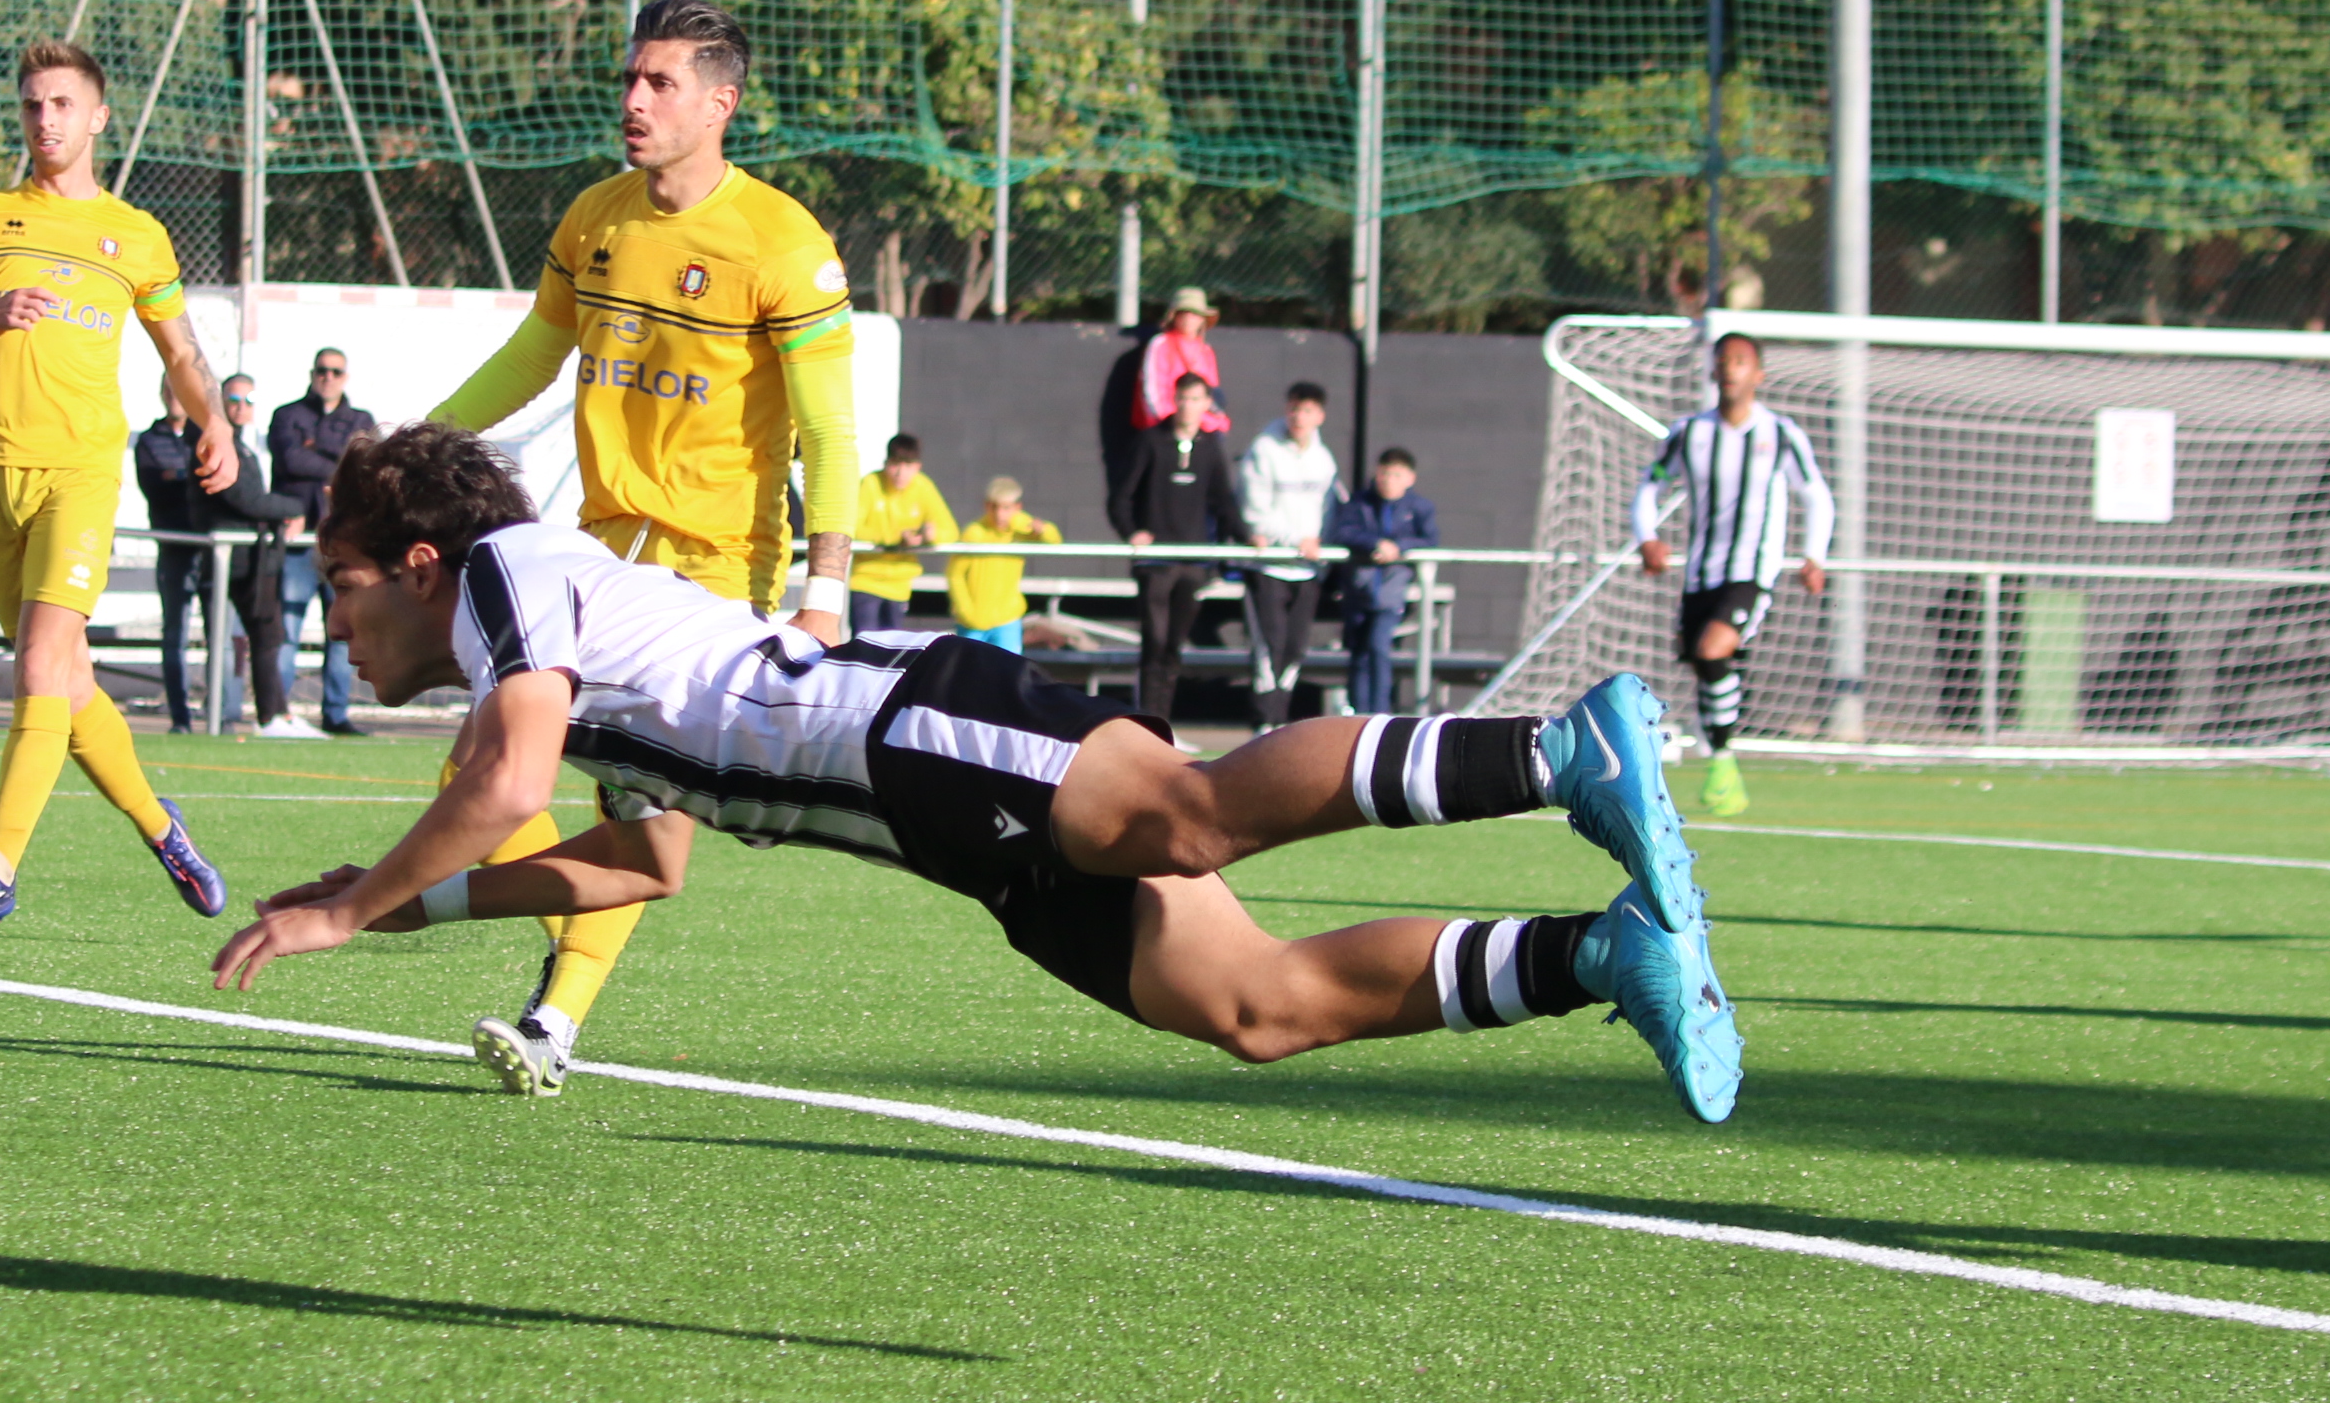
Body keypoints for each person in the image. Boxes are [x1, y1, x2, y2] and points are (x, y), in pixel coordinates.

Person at [212, 425, 1741, 1126]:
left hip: (917, 731)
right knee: (1254, 1011)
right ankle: (1604, 957)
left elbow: (498, 781)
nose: (331, 615)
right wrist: (402, 911)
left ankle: (1559, 750)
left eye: (339, 582)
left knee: (1192, 819)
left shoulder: (502, 580)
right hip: (945, 832)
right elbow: (638, 866)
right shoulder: (544, 651)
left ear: (417, 562)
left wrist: (352, 915)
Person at [425, 0, 860, 1096]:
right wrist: (422, 442)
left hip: (714, 569)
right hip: (594, 549)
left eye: (660, 82)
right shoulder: (598, 217)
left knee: (630, 806)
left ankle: (553, 1019)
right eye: (630, 77)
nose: (634, 99)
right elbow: (534, 353)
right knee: (491, 780)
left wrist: (828, 589)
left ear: (720, 102)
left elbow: (828, 429)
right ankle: (555, 974)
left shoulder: (784, 244)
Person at [0, 38, 239, 925]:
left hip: (79, 471)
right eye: (32, 105)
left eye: (60, 105)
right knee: (66, 683)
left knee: (43, 663)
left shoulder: (136, 234)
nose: (44, 120)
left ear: (97, 118)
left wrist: (216, 423)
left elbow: (181, 352)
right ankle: (164, 829)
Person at [1637, 331, 1832, 820]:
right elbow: (1649, 490)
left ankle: (1723, 760)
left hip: (1752, 571)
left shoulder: (1781, 433)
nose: (1731, 369)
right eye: (1723, 361)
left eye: (1741, 361)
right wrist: (1648, 536)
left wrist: (1814, 555)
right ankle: (1723, 766)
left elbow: (1817, 496)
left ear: (1758, 374)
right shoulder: (1689, 433)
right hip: (1702, 572)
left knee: (1713, 649)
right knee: (1705, 665)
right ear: (1712, 371)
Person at [1109, 370, 1241, 722]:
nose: (1187, 406)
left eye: (1195, 399)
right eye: (1182, 398)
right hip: (1156, 562)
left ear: (1207, 404)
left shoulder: (1211, 448)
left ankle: (1161, 723)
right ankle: (1148, 724)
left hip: (1193, 562)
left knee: (1173, 647)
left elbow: (1223, 502)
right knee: (1154, 640)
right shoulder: (1151, 441)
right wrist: (1132, 532)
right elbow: (1121, 497)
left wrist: (1248, 537)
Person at [268, 348, 378, 735]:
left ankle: (336, 714)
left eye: (335, 372)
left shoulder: (360, 419)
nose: (328, 377)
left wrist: (317, 453)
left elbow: (367, 465)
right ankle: (277, 714)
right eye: (321, 371)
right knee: (288, 629)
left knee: (345, 631)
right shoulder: (287, 415)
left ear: (345, 377)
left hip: (343, 545)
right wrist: (339, 461)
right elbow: (290, 462)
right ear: (311, 373)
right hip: (299, 545)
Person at [1233, 380, 1339, 732]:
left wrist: (1317, 546)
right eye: (1294, 407)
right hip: (1267, 569)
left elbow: (1329, 513)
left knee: (1294, 649)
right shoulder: (1263, 450)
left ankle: (1280, 725)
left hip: (1307, 571)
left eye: (1307, 410)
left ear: (1320, 416)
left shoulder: (1324, 461)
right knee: (1269, 648)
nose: (1299, 416)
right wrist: (1295, 539)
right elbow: (1255, 512)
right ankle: (1264, 724)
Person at [211, 373, 307, 737]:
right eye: (233, 398)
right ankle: (263, 716)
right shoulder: (216, 442)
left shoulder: (244, 445)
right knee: (245, 635)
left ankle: (276, 714)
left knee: (267, 632)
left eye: (248, 400)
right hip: (229, 557)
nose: (241, 407)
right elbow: (246, 499)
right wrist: (294, 507)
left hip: (249, 554)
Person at [135, 378, 227, 734]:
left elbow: (219, 482)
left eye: (181, 390)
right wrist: (193, 477)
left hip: (212, 547)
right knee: (175, 632)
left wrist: (185, 476)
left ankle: (219, 713)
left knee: (218, 632)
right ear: (162, 394)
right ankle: (181, 717)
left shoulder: (205, 436)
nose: (176, 397)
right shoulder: (150, 440)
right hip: (175, 546)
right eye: (170, 390)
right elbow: (157, 487)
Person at [1324, 446, 1441, 719]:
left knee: (1378, 646)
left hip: (1391, 593)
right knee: (1358, 653)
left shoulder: (1419, 508)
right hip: (1358, 591)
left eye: (1396, 475)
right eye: (1385, 474)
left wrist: (1397, 548)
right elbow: (1343, 532)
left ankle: (1380, 715)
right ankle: (1358, 716)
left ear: (1409, 478)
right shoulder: (1359, 503)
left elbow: (1429, 540)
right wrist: (1374, 544)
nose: (1389, 480)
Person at [848, 433, 955, 637]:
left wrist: (930, 536)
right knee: (863, 647)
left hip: (899, 585)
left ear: (918, 467)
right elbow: (852, 527)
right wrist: (895, 538)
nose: (900, 473)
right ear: (886, 463)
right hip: (865, 581)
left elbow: (950, 530)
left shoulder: (923, 486)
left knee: (892, 650)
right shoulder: (870, 483)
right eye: (895, 465)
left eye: (908, 466)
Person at [947, 477, 1059, 654]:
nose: (1000, 514)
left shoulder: (1021, 528)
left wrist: (1043, 530)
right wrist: (965, 610)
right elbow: (955, 574)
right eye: (994, 507)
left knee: (1009, 674)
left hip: (1007, 620)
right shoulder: (974, 532)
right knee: (968, 675)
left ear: (1017, 508)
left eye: (1006, 508)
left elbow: (1054, 543)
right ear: (986, 506)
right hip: (973, 622)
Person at [1129, 286, 1228, 433]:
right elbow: (1152, 397)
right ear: (1174, 317)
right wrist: (1173, 425)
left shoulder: (1206, 350)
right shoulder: (1160, 345)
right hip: (1163, 428)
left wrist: (1217, 418)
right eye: (1183, 313)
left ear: (1203, 319)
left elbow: (1211, 395)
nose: (1189, 319)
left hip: (1199, 427)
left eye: (1195, 314)